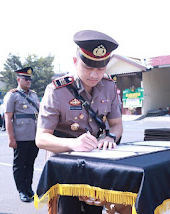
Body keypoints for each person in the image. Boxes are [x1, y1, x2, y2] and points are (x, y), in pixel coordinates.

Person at [36, 30, 124, 214]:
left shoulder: (109, 86)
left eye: (100, 69)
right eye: (88, 67)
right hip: (64, 169)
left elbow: (117, 124)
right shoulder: (57, 91)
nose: (94, 74)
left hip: (95, 166)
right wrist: (73, 144)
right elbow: (42, 139)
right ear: (76, 62)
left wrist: (110, 137)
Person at [4, 67, 40, 202]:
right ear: (18, 80)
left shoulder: (34, 95)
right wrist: (11, 138)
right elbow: (8, 118)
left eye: (30, 79)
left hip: (34, 136)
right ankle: (21, 191)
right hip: (20, 137)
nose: (28, 81)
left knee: (30, 163)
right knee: (20, 164)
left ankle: (29, 189)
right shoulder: (12, 95)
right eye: (26, 79)